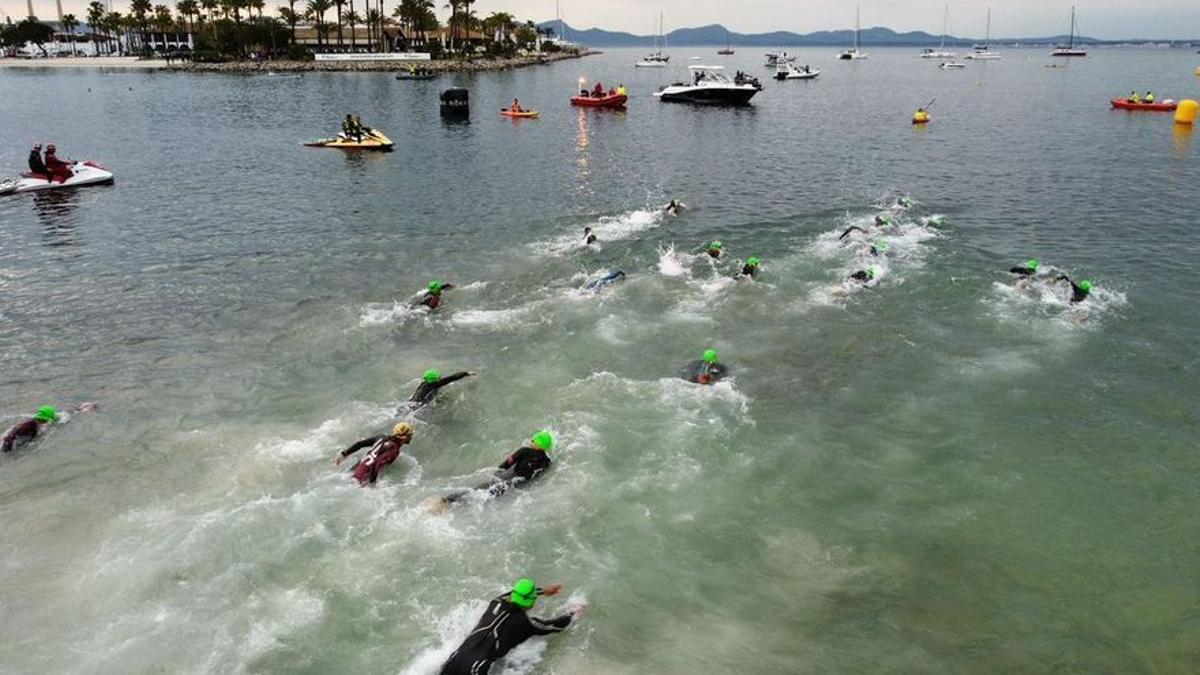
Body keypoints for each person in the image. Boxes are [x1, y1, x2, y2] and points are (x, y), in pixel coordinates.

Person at [440, 578, 581, 675]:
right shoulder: (527, 624)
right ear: (531, 602)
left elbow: (511, 594)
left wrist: (543, 591)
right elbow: (555, 626)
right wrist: (573, 612)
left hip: (455, 658)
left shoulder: (495, 603)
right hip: (476, 667)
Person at [436, 431, 556, 507]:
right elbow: (536, 477)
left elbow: (506, 464)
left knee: (478, 490)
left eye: (534, 440)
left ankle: (446, 501)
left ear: (538, 444)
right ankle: (455, 506)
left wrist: (495, 475)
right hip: (517, 486)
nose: (532, 441)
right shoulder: (547, 462)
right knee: (489, 497)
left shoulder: (524, 451)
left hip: (505, 478)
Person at [334, 422, 415, 486]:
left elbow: (360, 444)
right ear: (404, 438)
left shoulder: (381, 437)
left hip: (351, 472)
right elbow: (376, 462)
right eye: (410, 435)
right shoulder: (393, 449)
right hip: (359, 480)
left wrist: (344, 454)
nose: (411, 437)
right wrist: (372, 484)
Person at [1, 403, 97, 453]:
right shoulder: (28, 426)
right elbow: (10, 437)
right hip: (9, 444)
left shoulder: (37, 420)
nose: (48, 422)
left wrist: (80, 409)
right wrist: (10, 452)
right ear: (45, 419)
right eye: (48, 419)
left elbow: (63, 415)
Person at [410, 369, 475, 406]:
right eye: (438, 377)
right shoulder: (435, 384)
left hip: (412, 402)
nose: (440, 378)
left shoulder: (424, 383)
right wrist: (466, 373)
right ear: (434, 380)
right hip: (421, 405)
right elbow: (451, 378)